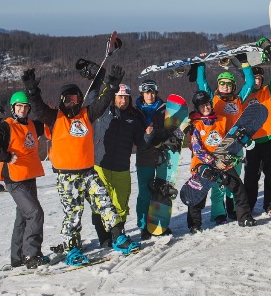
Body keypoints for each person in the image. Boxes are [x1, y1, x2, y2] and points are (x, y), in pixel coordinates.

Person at [21, 66, 140, 265]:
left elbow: (102, 102)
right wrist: (32, 90)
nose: (71, 102)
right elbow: (39, 107)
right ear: (61, 101)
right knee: (73, 214)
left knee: (105, 204)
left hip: (88, 172)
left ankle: (119, 238)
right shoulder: (54, 118)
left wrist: (111, 85)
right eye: (67, 99)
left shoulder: (86, 114)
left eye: (75, 99)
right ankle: (73, 250)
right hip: (67, 177)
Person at [0, 92, 47, 269]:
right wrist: (6, 156)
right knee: (35, 213)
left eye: (25, 107)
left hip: (29, 176)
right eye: (19, 107)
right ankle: (31, 255)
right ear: (13, 108)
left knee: (23, 217)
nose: (22, 110)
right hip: (14, 179)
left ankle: (16, 258)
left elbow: (49, 121)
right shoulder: (7, 126)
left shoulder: (32, 125)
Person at [185, 90, 256, 231]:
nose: (205, 108)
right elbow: (198, 150)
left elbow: (232, 137)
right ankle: (195, 225)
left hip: (223, 161)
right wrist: (213, 162)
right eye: (201, 106)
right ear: (197, 108)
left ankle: (244, 217)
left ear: (211, 104)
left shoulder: (221, 120)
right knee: (197, 193)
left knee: (238, 187)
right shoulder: (196, 125)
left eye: (207, 104)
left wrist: (244, 140)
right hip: (203, 164)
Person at [196, 54, 254, 223]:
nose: (225, 86)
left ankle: (234, 210)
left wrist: (244, 63)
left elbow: (250, 83)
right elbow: (202, 84)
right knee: (218, 183)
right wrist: (201, 64)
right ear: (218, 85)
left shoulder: (238, 99)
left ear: (233, 86)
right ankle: (218, 213)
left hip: (236, 144)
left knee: (235, 181)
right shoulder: (212, 100)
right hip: (218, 146)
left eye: (229, 84)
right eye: (222, 83)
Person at [92, 84, 152, 246]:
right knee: (100, 202)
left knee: (120, 203)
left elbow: (140, 142)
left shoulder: (133, 116)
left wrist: (147, 136)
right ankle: (104, 238)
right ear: (114, 97)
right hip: (100, 164)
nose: (123, 100)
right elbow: (92, 99)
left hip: (121, 166)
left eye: (126, 97)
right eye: (120, 97)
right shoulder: (103, 111)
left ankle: (118, 235)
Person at [243, 66, 271, 215]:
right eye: (254, 79)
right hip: (252, 141)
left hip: (270, 138)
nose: (256, 82)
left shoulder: (268, 91)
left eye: (259, 79)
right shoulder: (244, 95)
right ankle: (249, 206)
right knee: (251, 176)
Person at [133, 79, 167, 240]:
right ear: (142, 94)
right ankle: (143, 225)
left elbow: (174, 127)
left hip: (162, 153)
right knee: (145, 191)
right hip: (144, 154)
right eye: (147, 92)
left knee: (161, 189)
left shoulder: (164, 108)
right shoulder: (135, 111)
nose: (150, 95)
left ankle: (159, 223)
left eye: (152, 92)